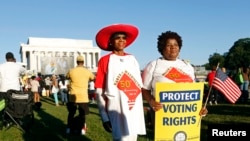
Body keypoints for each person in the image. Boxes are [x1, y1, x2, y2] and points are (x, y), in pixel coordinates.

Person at [141, 31, 208, 128]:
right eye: (169, 45)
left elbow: (194, 91)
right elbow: (145, 89)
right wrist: (151, 102)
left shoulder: (187, 65)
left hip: (186, 116)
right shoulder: (153, 65)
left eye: (176, 45)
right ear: (162, 48)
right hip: (163, 115)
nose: (173, 47)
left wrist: (200, 107)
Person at [94, 23, 146, 141]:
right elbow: (99, 90)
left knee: (133, 137)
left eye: (123, 38)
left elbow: (138, 84)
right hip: (116, 108)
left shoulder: (132, 59)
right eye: (117, 38)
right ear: (111, 41)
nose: (121, 40)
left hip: (133, 107)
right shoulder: (105, 60)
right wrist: (104, 116)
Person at [66, 55, 95, 135]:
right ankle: (82, 129)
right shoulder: (87, 71)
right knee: (82, 114)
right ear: (83, 62)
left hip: (73, 95)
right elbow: (93, 78)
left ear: (76, 62)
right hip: (83, 96)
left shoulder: (71, 70)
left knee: (71, 113)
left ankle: (69, 128)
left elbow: (67, 77)